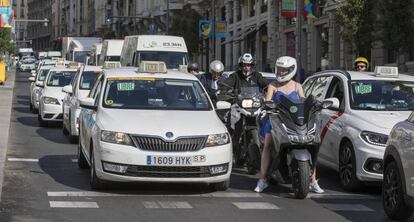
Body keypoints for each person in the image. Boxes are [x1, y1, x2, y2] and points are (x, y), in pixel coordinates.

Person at [254, 56, 324, 194]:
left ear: (292, 70)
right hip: (275, 119)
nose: (281, 72)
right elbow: (268, 101)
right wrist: (267, 105)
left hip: (294, 121)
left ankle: (313, 181)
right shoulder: (273, 86)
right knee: (267, 144)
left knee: (309, 145)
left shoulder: (297, 86)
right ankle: (262, 180)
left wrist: (313, 105)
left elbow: (303, 103)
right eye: (279, 69)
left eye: (284, 70)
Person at [218, 53, 269, 165]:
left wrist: (270, 90)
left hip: (254, 106)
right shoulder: (236, 76)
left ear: (252, 65)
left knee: (264, 123)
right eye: (245, 65)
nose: (247, 67)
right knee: (233, 127)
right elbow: (226, 85)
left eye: (249, 65)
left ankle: (260, 149)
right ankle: (231, 151)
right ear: (241, 65)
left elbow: (266, 85)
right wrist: (223, 90)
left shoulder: (257, 76)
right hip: (238, 107)